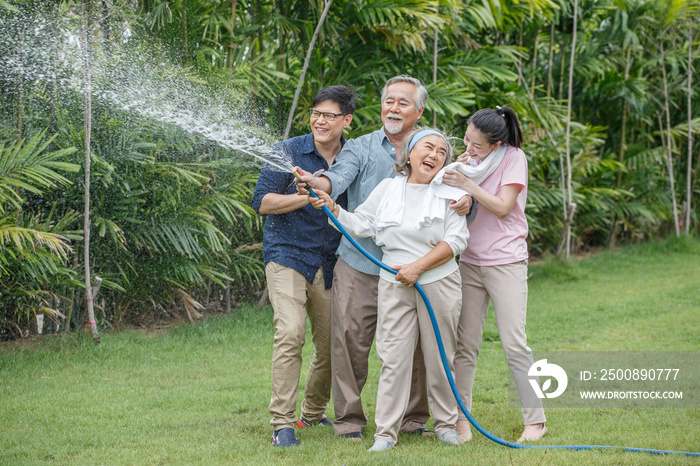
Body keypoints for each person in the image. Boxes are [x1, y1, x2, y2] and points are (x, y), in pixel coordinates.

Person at [298, 75, 473, 440]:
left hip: (424, 272)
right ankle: (350, 422)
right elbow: (340, 180)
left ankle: (414, 421)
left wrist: (468, 199)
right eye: (388, 101)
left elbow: (459, 211)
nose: (393, 108)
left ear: (419, 111)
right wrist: (322, 187)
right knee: (351, 342)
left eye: (403, 103)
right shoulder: (362, 149)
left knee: (425, 351)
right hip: (362, 264)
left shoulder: (434, 152)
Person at [251, 85, 355, 448]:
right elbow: (261, 201)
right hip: (287, 254)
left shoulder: (353, 155)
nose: (319, 120)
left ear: (347, 120)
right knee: (291, 331)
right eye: (315, 113)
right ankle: (282, 423)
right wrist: (303, 197)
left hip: (332, 258)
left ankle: (311, 413)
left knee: (330, 345)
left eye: (329, 115)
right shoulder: (288, 151)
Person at [441, 105, 547, 443]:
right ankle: (461, 418)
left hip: (506, 262)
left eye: (477, 146)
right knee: (465, 345)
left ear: (496, 145)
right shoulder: (471, 162)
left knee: (514, 343)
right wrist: (462, 177)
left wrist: (468, 183)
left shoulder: (514, 158)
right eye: (467, 141)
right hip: (470, 260)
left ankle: (536, 420)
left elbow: (503, 207)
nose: (469, 150)